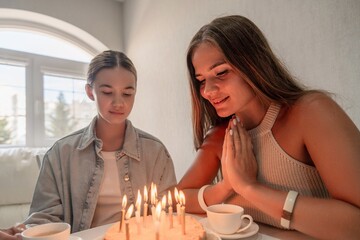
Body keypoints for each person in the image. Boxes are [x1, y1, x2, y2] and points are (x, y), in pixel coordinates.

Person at [177, 15, 360, 239]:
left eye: (221, 72)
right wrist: (227, 185)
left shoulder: (311, 112)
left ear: (254, 64)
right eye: (201, 80)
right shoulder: (220, 135)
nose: (207, 91)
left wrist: (249, 188)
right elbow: (178, 199)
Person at [0, 50, 177, 239]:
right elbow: (45, 219)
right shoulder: (61, 154)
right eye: (107, 92)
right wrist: (24, 234)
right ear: (90, 91)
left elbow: (169, 216)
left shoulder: (156, 152)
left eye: (127, 93)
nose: (119, 103)